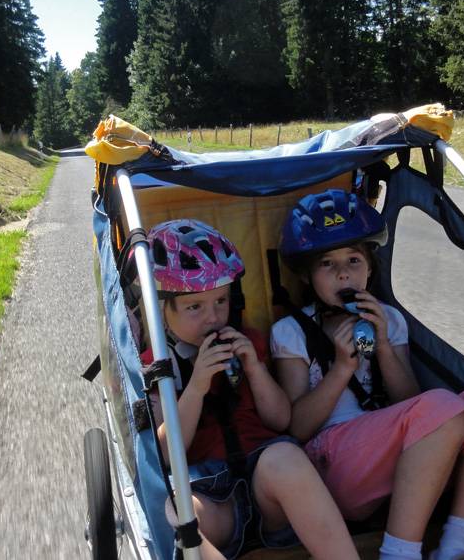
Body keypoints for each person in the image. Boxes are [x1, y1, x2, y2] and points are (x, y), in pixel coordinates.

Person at [270, 189, 464, 560]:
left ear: (370, 268)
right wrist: (342, 369)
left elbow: (412, 403)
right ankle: (399, 553)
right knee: (442, 408)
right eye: (327, 263)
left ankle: (460, 544)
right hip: (331, 466)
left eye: (354, 260)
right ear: (308, 277)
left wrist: (386, 347)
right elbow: (296, 428)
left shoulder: (389, 320)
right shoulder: (291, 332)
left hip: (397, 453)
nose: (343, 272)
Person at [141, 218, 359, 560]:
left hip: (267, 488)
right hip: (211, 498)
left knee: (286, 455)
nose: (213, 318)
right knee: (171, 512)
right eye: (194, 307)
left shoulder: (249, 342)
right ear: (161, 309)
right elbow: (166, 455)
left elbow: (280, 420)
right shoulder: (157, 365)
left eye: (221, 302)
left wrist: (255, 368)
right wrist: (196, 387)